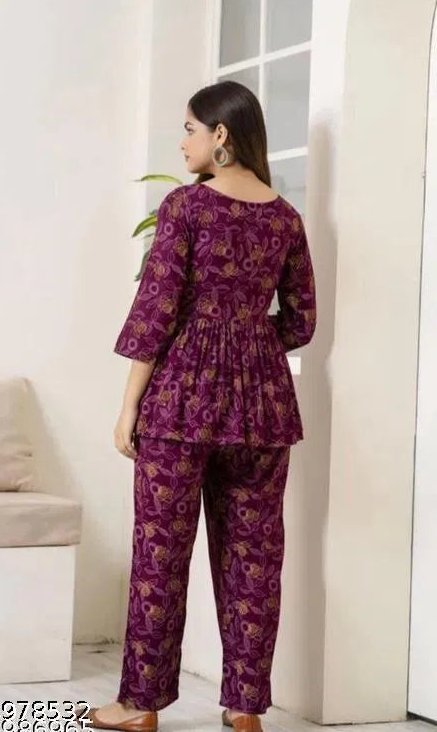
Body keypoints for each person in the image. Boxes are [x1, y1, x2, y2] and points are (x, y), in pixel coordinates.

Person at [77, 80, 317, 732]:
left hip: (179, 406)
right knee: (255, 558)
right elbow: (300, 323)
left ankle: (140, 705)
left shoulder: (186, 207)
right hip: (263, 410)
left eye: (190, 128)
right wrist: (247, 343)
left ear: (221, 134)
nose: (182, 141)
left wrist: (129, 406)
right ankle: (245, 707)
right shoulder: (285, 220)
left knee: (160, 557)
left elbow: (156, 311)